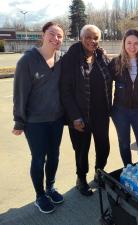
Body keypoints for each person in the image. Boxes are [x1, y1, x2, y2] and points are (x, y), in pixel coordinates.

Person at [12, 22, 65, 214]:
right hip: (35, 122)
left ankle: (50, 188)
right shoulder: (27, 61)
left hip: (57, 119)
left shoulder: (61, 59)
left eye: (60, 36)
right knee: (38, 158)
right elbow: (20, 93)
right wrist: (19, 120)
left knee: (54, 156)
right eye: (52, 34)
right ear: (43, 35)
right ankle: (39, 195)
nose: (56, 39)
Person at [60, 25, 112, 196]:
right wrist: (74, 117)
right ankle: (81, 178)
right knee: (82, 149)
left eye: (96, 38)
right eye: (88, 37)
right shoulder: (70, 59)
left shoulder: (101, 56)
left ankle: (99, 172)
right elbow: (65, 91)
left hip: (101, 114)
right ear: (81, 38)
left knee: (103, 146)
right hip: (80, 115)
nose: (92, 41)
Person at [109, 29, 138, 166]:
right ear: (124, 44)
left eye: (136, 43)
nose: (132, 47)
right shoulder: (116, 62)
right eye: (129, 43)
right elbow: (104, 84)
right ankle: (128, 169)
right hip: (120, 110)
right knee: (124, 145)